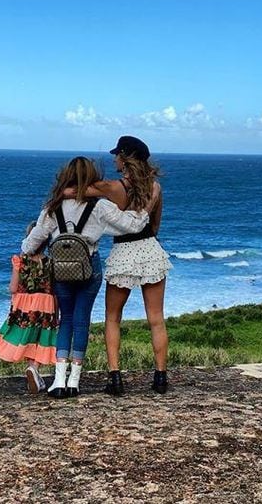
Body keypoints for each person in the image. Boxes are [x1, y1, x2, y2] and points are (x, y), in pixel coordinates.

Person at [21, 156, 153, 399]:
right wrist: (147, 206)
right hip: (88, 268)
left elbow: (31, 243)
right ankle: (74, 381)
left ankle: (58, 381)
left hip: (61, 271)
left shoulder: (53, 207)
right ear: (92, 178)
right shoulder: (99, 206)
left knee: (66, 320)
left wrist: (27, 246)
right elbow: (132, 225)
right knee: (82, 321)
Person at [89, 136, 172, 395]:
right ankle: (160, 378)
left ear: (125, 158)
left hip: (123, 249)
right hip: (149, 247)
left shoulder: (114, 187)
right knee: (156, 319)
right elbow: (156, 225)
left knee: (113, 317)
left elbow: (77, 191)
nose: (114, 158)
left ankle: (115, 378)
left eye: (117, 155)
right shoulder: (155, 187)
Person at [0, 222, 58, 393]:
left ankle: (33, 371)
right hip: (46, 304)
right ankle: (34, 368)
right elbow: (54, 288)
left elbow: (13, 288)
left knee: (26, 336)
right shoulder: (51, 262)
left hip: (24, 305)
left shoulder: (20, 261)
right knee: (40, 338)